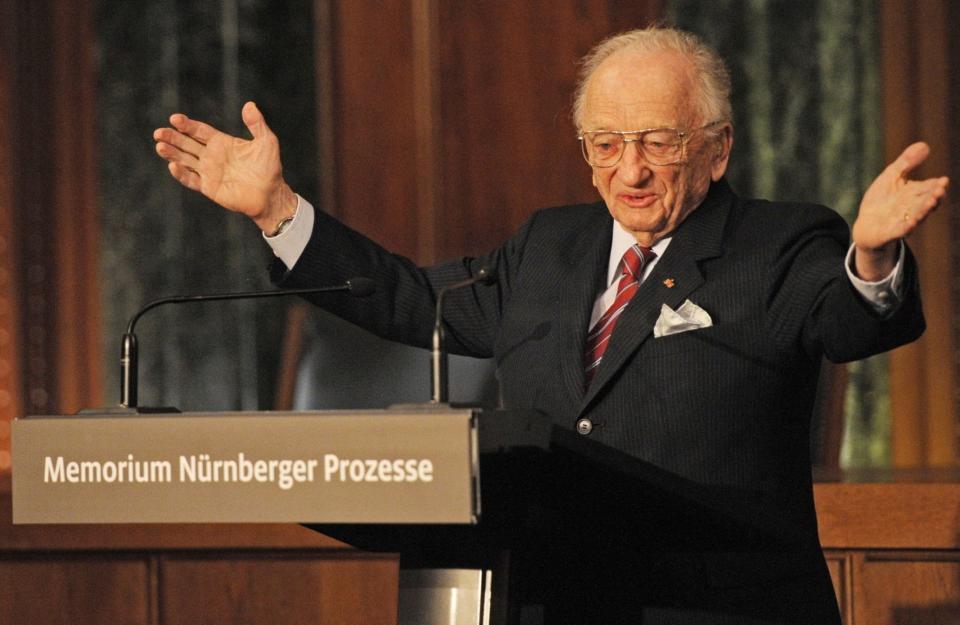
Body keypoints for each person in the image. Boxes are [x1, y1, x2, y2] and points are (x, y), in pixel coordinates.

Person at [154, 26, 946, 625]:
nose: (627, 170)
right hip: (547, 606)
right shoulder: (546, 247)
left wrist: (870, 256)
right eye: (604, 144)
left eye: (657, 143)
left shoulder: (778, 244)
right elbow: (405, 297)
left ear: (715, 150)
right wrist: (278, 213)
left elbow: (850, 319)